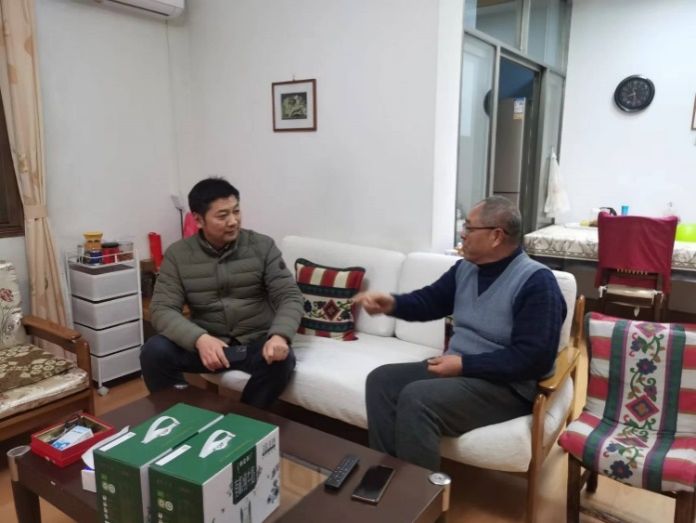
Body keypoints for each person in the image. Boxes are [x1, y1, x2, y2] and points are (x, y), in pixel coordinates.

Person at [354, 196, 566, 471]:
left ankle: (419, 495)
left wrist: (465, 364)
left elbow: (534, 358)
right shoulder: (465, 269)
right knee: (381, 381)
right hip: (460, 370)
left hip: (507, 387)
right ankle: (387, 475)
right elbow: (430, 301)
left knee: (418, 398)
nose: (462, 234)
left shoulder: (537, 282)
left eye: (469, 228)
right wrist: (392, 304)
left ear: (496, 236)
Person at [140, 177, 304, 408]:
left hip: (254, 343)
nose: (233, 221)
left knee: (282, 361)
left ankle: (244, 420)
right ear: (198, 219)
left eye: (236, 211)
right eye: (222, 215)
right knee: (154, 351)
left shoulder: (262, 246)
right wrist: (199, 339)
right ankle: (181, 417)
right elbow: (162, 309)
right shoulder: (178, 255)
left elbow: (290, 295)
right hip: (208, 343)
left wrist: (280, 335)